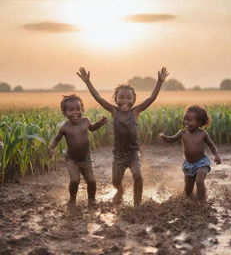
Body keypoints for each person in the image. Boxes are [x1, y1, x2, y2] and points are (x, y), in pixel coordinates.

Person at [77, 67, 169, 206]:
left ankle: (137, 203)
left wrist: (160, 81)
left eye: (128, 98)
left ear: (133, 100)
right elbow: (98, 98)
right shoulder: (114, 112)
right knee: (116, 182)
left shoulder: (135, 112)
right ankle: (120, 191)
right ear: (116, 99)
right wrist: (87, 82)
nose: (124, 100)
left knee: (138, 175)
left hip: (133, 152)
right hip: (119, 155)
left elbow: (151, 98)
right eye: (121, 97)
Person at [48, 94, 107, 208]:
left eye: (78, 109)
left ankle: (91, 199)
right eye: (71, 110)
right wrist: (51, 148)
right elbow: (56, 139)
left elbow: (93, 128)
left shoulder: (85, 121)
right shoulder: (65, 127)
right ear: (65, 113)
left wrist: (100, 122)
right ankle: (72, 199)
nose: (75, 112)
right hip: (72, 159)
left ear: (82, 110)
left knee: (92, 181)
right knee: (75, 180)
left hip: (86, 158)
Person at [159, 105, 221, 200]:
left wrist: (216, 155)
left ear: (199, 123)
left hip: (202, 162)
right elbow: (172, 140)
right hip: (188, 164)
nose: (186, 122)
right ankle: (189, 201)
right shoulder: (182, 133)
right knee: (188, 188)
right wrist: (165, 137)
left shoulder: (202, 134)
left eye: (190, 120)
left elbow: (211, 145)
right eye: (185, 119)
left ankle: (201, 201)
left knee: (199, 181)